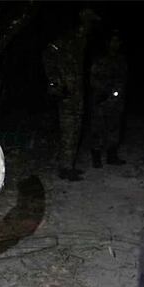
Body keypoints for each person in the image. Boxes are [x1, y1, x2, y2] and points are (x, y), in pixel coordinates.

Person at [43, 9, 100, 181]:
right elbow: (47, 54)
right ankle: (65, 168)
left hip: (77, 93)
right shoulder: (65, 40)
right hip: (66, 93)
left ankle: (69, 166)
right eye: (86, 23)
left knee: (76, 130)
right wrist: (55, 82)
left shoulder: (80, 43)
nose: (87, 29)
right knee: (68, 130)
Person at [87, 31, 128, 168]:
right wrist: (106, 91)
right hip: (101, 99)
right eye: (112, 41)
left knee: (114, 129)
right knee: (97, 129)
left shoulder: (121, 59)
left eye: (117, 41)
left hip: (116, 101)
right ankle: (96, 158)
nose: (115, 44)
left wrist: (117, 94)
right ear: (107, 43)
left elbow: (123, 80)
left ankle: (112, 156)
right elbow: (92, 79)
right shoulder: (99, 59)